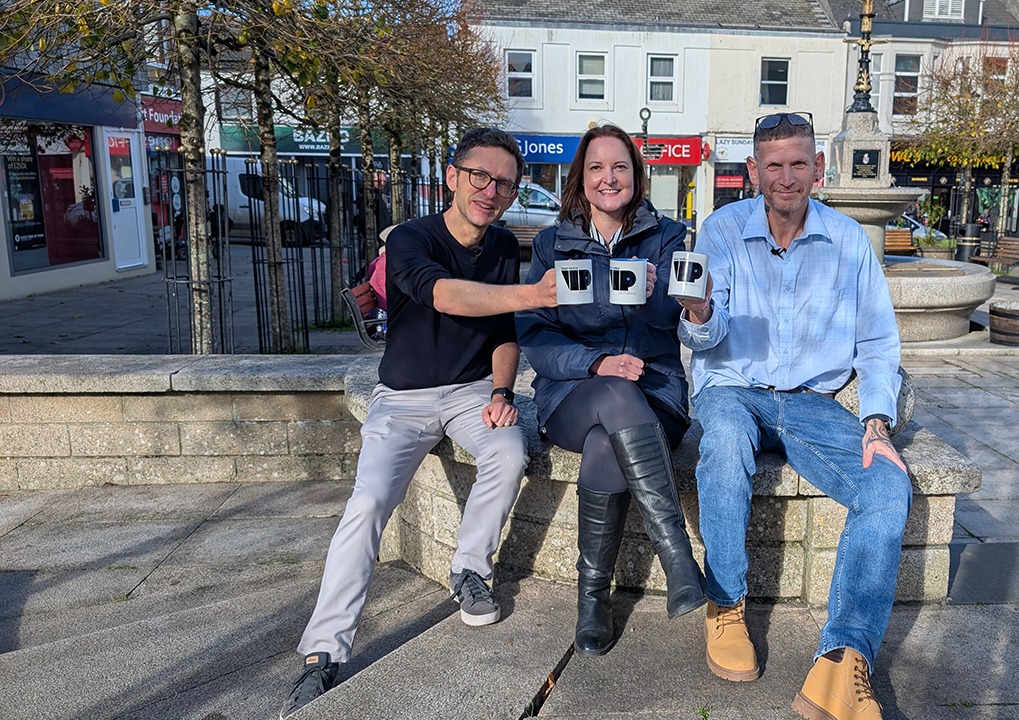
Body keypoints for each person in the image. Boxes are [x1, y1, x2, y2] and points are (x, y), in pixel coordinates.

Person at [279, 127, 559, 718]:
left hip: (473, 393)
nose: (491, 190)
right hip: (403, 398)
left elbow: (504, 334)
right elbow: (446, 296)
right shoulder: (411, 238)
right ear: (453, 177)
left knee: (509, 452)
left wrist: (502, 390)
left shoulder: (503, 246)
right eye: (480, 176)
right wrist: (535, 295)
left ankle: (469, 571)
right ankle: (323, 651)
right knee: (368, 503)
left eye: (505, 183)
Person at [676, 111, 911, 720]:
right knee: (724, 444)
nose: (786, 177)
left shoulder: (849, 240)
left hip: (812, 402)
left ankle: (842, 660)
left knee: (888, 482)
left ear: (818, 167)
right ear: (753, 170)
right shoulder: (723, 230)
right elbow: (706, 338)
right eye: (773, 165)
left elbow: (877, 343)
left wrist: (877, 422)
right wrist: (699, 313)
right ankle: (725, 603)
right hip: (734, 388)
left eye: (798, 163)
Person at [515, 124, 705, 657]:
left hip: (656, 394)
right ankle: (677, 557)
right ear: (581, 178)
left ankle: (592, 599)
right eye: (596, 167)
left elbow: (676, 318)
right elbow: (535, 335)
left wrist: (669, 298)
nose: (609, 178)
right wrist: (596, 362)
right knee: (611, 392)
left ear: (636, 176)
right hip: (571, 395)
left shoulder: (667, 237)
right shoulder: (552, 244)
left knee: (607, 440)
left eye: (620, 166)